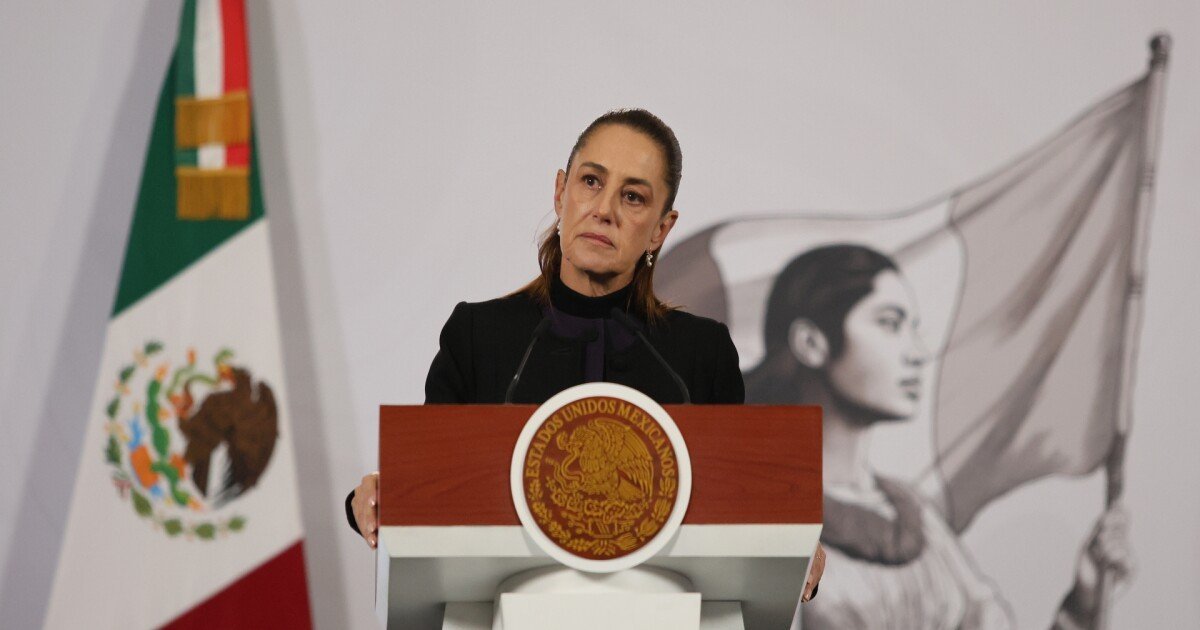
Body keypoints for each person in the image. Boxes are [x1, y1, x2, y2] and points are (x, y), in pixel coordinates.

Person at [345, 109, 825, 601]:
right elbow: (431, 488)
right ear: (560, 192)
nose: (604, 210)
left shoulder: (700, 354)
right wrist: (378, 498)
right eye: (591, 181)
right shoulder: (480, 335)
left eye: (633, 197)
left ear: (660, 229)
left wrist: (793, 546)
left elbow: (740, 506)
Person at [744, 244, 1132, 629]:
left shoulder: (916, 516)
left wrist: (1082, 604)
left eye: (913, 329)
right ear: (811, 343)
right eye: (889, 324)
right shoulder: (756, 512)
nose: (916, 352)